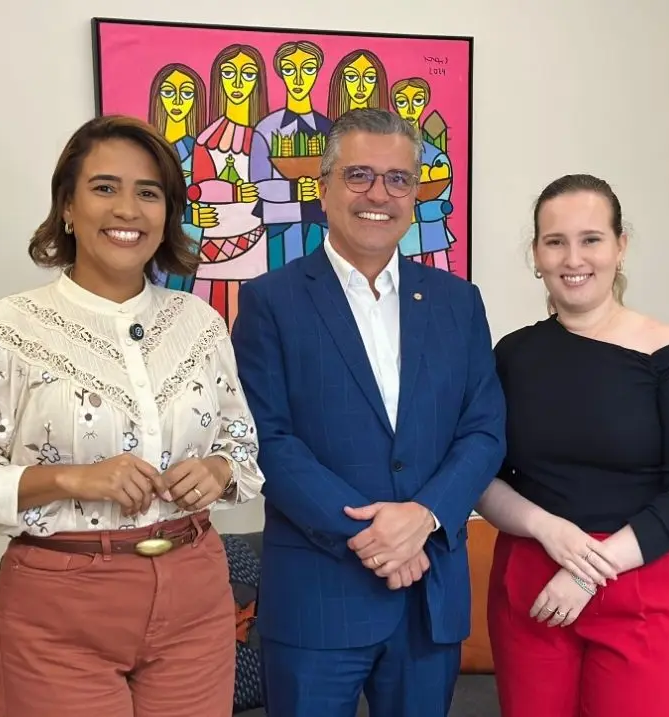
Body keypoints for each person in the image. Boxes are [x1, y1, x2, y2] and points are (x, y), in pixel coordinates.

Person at [0, 114, 265, 717]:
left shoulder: (199, 325)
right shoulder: (5, 332)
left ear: (167, 215)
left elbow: (244, 451)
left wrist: (218, 470)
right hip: (60, 606)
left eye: (148, 192)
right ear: (68, 208)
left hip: (196, 597)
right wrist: (71, 478)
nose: (127, 208)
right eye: (105, 187)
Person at [230, 107, 507, 717]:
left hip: (429, 598)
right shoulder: (270, 301)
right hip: (317, 600)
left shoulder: (458, 302)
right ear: (323, 187)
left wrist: (425, 517)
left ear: (414, 193)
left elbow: (484, 430)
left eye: (398, 179)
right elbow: (265, 438)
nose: (379, 194)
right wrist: (374, 536)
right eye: (358, 175)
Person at [476, 173, 669, 717]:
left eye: (591, 239)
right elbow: (480, 473)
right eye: (555, 241)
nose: (573, 258)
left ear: (620, 246)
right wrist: (548, 528)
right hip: (533, 589)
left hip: (643, 589)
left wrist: (586, 571)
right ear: (536, 255)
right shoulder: (511, 356)